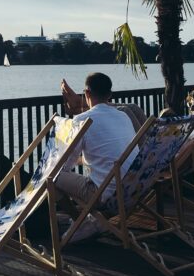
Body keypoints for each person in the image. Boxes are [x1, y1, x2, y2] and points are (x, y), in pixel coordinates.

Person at [56, 72, 139, 206]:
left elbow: (66, 165)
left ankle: (78, 220)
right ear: (110, 94)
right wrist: (81, 161)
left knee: (52, 177)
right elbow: (109, 153)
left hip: (104, 194)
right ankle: (89, 221)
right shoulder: (123, 116)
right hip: (133, 188)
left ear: (87, 93)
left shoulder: (81, 120)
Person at [60, 78, 147, 132]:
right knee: (133, 107)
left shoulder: (79, 119)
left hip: (149, 153)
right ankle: (81, 103)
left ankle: (81, 104)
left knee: (125, 110)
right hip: (154, 141)